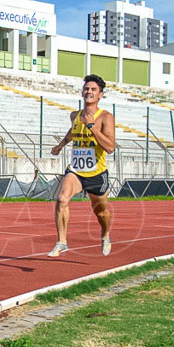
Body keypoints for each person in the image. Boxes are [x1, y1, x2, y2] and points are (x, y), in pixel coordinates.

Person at [48, 74, 116, 257]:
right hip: (77, 170)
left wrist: (92, 126)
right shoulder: (75, 116)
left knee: (101, 212)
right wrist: (61, 145)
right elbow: (73, 131)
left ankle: (106, 234)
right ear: (82, 92)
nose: (89, 92)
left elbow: (110, 148)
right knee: (62, 199)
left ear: (100, 94)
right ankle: (62, 242)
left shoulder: (106, 117)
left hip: (97, 173)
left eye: (94, 89)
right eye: (87, 89)